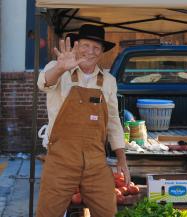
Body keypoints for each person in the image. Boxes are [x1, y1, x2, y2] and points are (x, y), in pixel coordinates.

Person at [36, 24, 130, 217]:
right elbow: (43, 83)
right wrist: (61, 67)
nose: (90, 51)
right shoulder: (57, 69)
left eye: (96, 48)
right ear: (76, 46)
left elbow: (113, 120)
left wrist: (122, 158)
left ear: (102, 52)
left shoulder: (109, 81)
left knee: (107, 210)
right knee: (48, 212)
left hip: (96, 160)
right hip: (60, 159)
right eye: (86, 45)